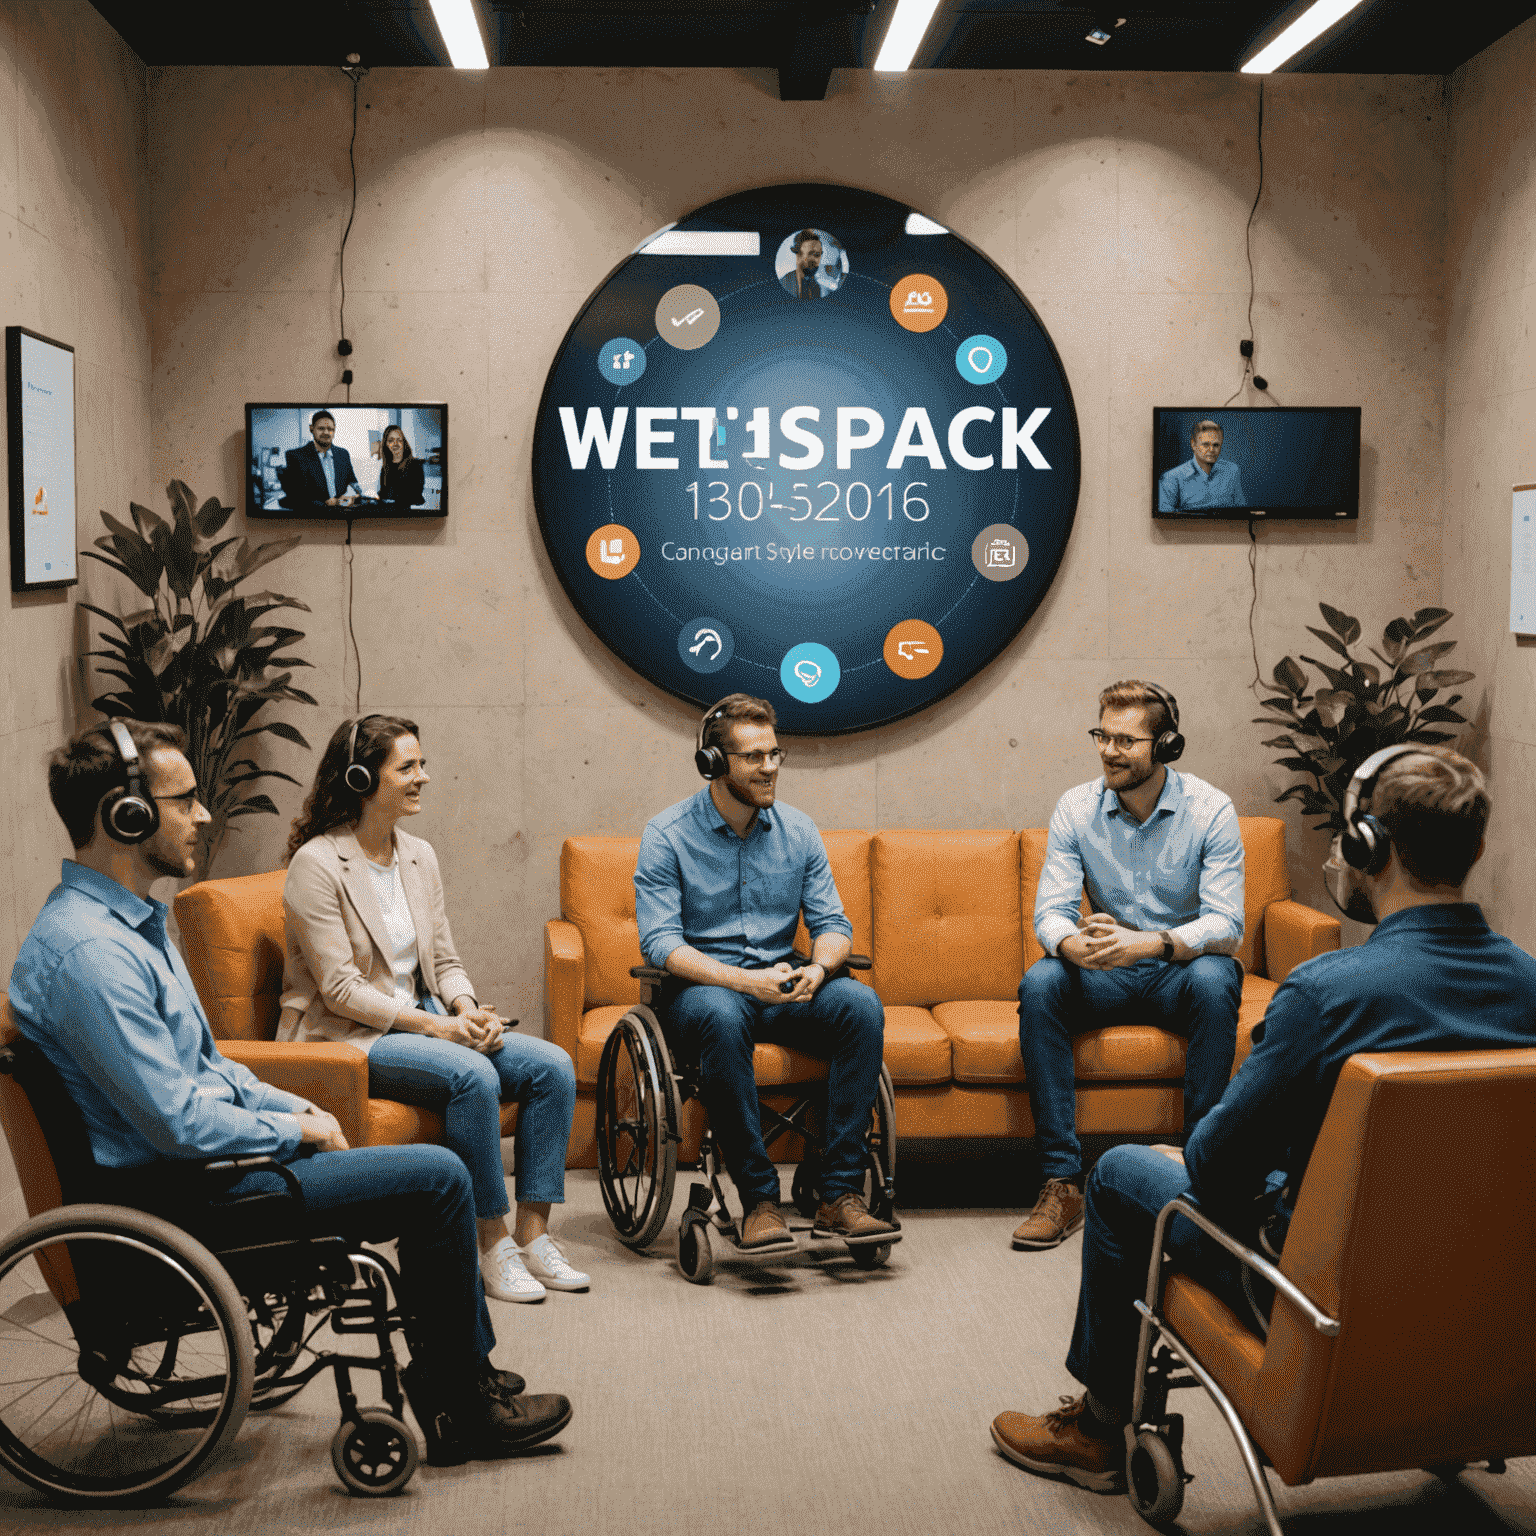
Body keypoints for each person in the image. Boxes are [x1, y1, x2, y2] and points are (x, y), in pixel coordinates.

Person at [10, 719, 572, 1461]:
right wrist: (291, 1134)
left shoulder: (134, 928)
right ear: (126, 816)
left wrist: (289, 1105)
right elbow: (175, 1122)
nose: (205, 815)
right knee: (437, 1178)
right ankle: (462, 1402)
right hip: (183, 1197)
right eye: (184, 801)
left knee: (456, 1143)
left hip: (200, 1173)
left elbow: (207, 1069)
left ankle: (465, 1378)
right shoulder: (92, 956)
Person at [990, 745, 1536, 1493]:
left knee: (1119, 1173)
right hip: (1478, 1282)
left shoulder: (1326, 994)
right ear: (1474, 849)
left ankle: (1099, 1428)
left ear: (1364, 849)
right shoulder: (1530, 986)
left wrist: (1208, 1151)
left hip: (1307, 1285)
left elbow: (1217, 1169)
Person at [282, 715, 586, 1304]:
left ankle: (533, 1236)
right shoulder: (317, 864)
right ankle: (490, 1244)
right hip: (346, 1037)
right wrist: (439, 1028)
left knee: (551, 1066)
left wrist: (467, 1008)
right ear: (361, 778)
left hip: (423, 1020)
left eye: (422, 764)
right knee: (471, 1073)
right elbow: (340, 989)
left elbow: (444, 959)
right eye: (409, 767)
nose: (425, 777)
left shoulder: (418, 856)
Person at [633, 694, 898, 1250]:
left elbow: (832, 922)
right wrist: (741, 980)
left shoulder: (799, 831)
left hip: (784, 984)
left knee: (860, 1005)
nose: (771, 767)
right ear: (714, 762)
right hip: (706, 992)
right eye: (755, 758)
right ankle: (758, 1200)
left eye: (776, 754)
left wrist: (821, 969)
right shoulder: (667, 834)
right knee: (721, 1016)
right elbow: (660, 943)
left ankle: (839, 1194)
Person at [1012, 681, 1244, 1251]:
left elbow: (1226, 926)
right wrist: (1071, 946)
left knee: (1217, 979)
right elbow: (1051, 911)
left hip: (1176, 971)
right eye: (1102, 736)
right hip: (1104, 972)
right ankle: (1062, 1181)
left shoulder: (1211, 811)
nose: (1108, 751)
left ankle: (1198, 1171)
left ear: (1165, 745)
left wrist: (1149, 944)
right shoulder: (1075, 807)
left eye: (1125, 740)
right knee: (1041, 981)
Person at [1158, 419, 1247, 512]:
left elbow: (1241, 511)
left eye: (1216, 445)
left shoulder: (1232, 470)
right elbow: (1165, 519)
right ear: (1193, 445)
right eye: (1205, 444)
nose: (1212, 449)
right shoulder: (1172, 478)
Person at [283, 409, 361, 508]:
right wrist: (326, 504)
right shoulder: (296, 456)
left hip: (343, 515)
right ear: (312, 429)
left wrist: (351, 497)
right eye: (321, 428)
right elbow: (296, 497)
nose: (326, 432)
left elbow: (353, 482)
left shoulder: (343, 454)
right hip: (313, 518)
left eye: (330, 429)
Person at [377, 424, 426, 508]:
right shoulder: (385, 468)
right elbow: (383, 494)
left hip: (405, 516)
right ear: (386, 444)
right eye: (391, 440)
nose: (395, 444)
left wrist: (394, 500)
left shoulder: (415, 466)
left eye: (399, 440)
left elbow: (416, 496)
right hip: (386, 515)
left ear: (403, 442)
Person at [780, 230, 824, 300]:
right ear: (798, 256)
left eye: (817, 255)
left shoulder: (816, 287)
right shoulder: (785, 283)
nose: (815, 259)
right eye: (810, 253)